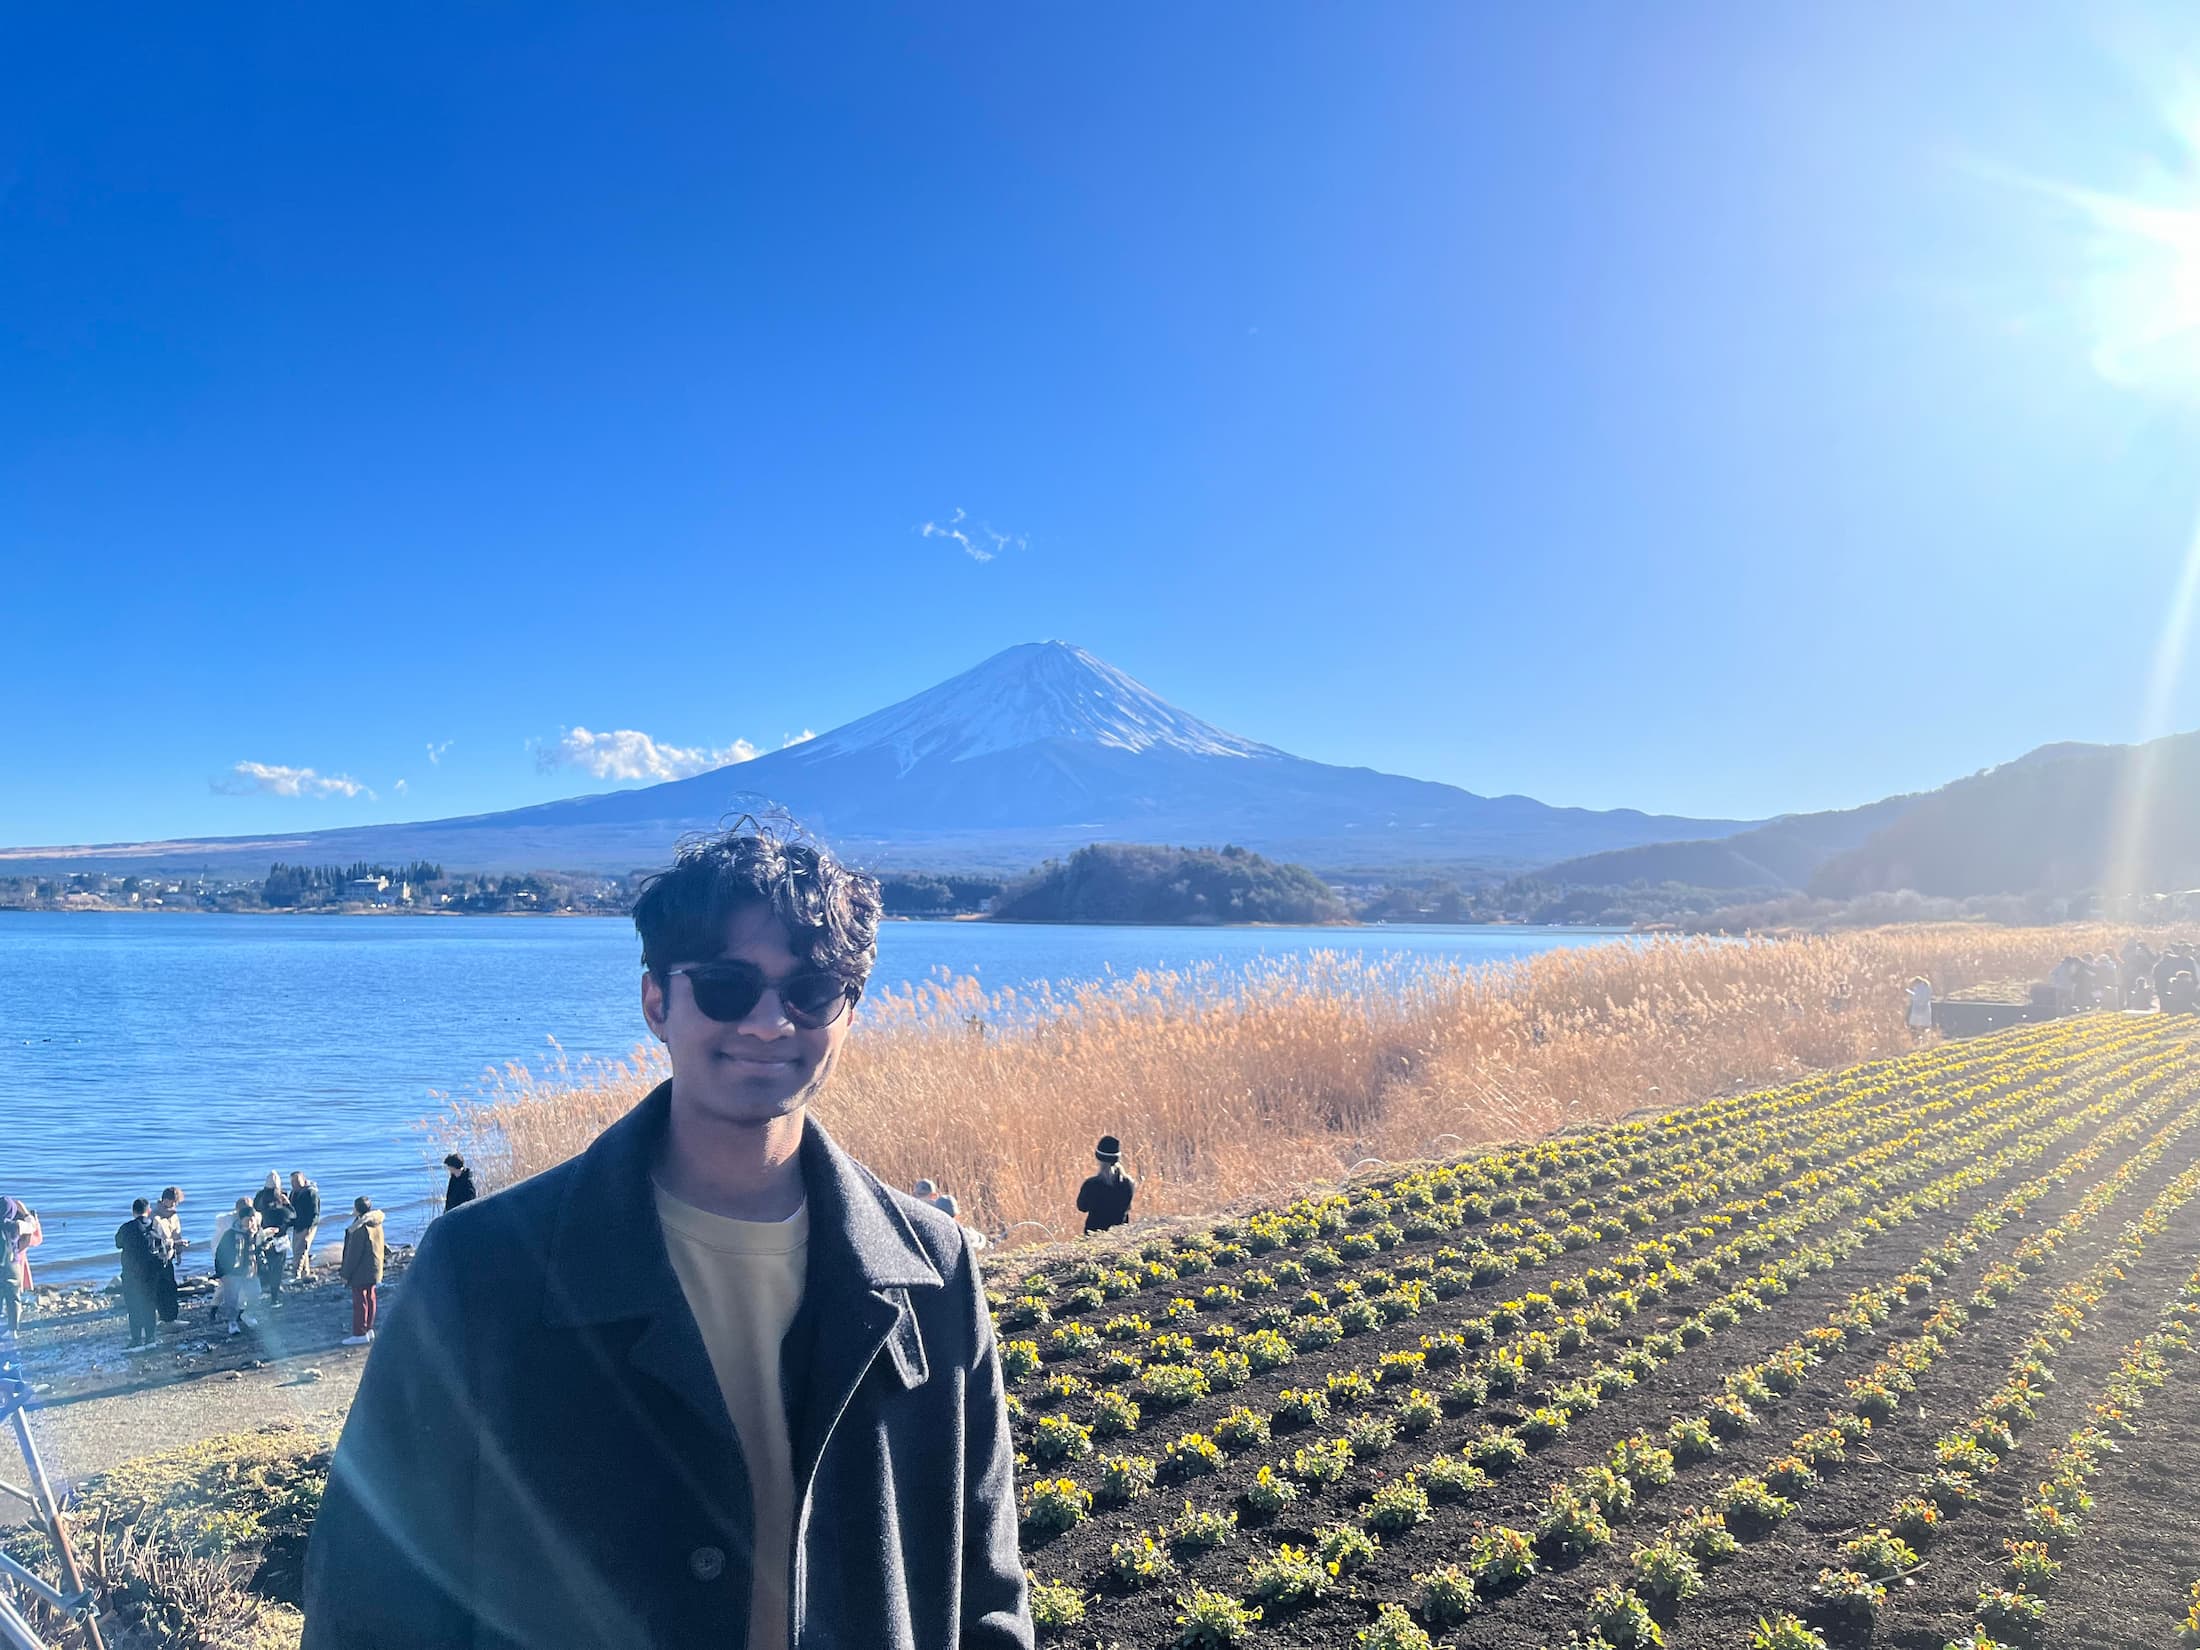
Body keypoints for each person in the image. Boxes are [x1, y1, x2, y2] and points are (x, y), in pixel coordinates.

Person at [303, 824, 1030, 1650]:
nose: (768, 1023)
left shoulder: (932, 1268)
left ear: (850, 1012)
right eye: (725, 987)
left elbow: (988, 1589)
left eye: (812, 992)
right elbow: (370, 1596)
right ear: (656, 1001)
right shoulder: (484, 1271)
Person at [115, 1198, 166, 1352]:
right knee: (149, 1305)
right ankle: (150, 1338)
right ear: (148, 1210)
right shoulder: (154, 1226)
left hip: (131, 1274)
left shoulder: (126, 1228)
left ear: (133, 1211)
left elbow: (118, 1243)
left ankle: (136, 1340)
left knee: (134, 1306)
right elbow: (162, 1247)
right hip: (151, 1273)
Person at [338, 1196, 385, 1346]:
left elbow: (353, 1254)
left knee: (360, 1301)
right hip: (373, 1266)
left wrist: (345, 1274)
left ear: (357, 1209)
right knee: (370, 1297)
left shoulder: (359, 1227)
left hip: (361, 1269)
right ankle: (369, 1329)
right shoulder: (376, 1222)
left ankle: (359, 1332)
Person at [213, 1200, 259, 1336]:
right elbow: (220, 1254)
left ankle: (247, 1314)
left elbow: (259, 1250)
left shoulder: (255, 1233)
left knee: (255, 1293)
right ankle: (232, 1322)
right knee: (231, 1299)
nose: (250, 1223)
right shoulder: (230, 1234)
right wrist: (222, 1274)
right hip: (233, 1272)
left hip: (250, 1270)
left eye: (253, 1220)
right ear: (241, 1219)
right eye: (248, 1220)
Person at [1076, 1135, 1136, 1234]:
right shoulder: (1128, 1183)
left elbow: (1082, 1207)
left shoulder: (1091, 1184)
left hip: (1094, 1236)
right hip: (1120, 1236)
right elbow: (1128, 1208)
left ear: (1098, 1158)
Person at [152, 1187, 186, 1325]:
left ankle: (171, 1317)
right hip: (158, 1257)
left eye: (176, 1203)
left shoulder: (174, 1216)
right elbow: (156, 1240)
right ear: (165, 1200)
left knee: (171, 1286)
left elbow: (177, 1234)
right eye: (173, 1202)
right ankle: (165, 1317)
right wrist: (175, 1242)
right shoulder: (155, 1217)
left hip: (169, 1256)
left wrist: (179, 1252)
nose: (175, 1205)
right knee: (162, 1288)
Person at [289, 1171, 322, 1282]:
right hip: (298, 1225)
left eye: (297, 1181)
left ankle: (296, 1274)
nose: (294, 1184)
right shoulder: (294, 1193)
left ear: (304, 1180)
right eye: (292, 1181)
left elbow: (315, 1213)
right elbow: (292, 1209)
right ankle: (305, 1272)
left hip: (307, 1225)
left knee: (300, 1250)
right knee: (298, 1248)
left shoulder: (310, 1193)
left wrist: (309, 1228)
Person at [0, 1200, 23, 1338]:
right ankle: (13, 1330)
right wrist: (26, 1213)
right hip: (12, 1264)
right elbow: (32, 1226)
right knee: (13, 1297)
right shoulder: (14, 1226)